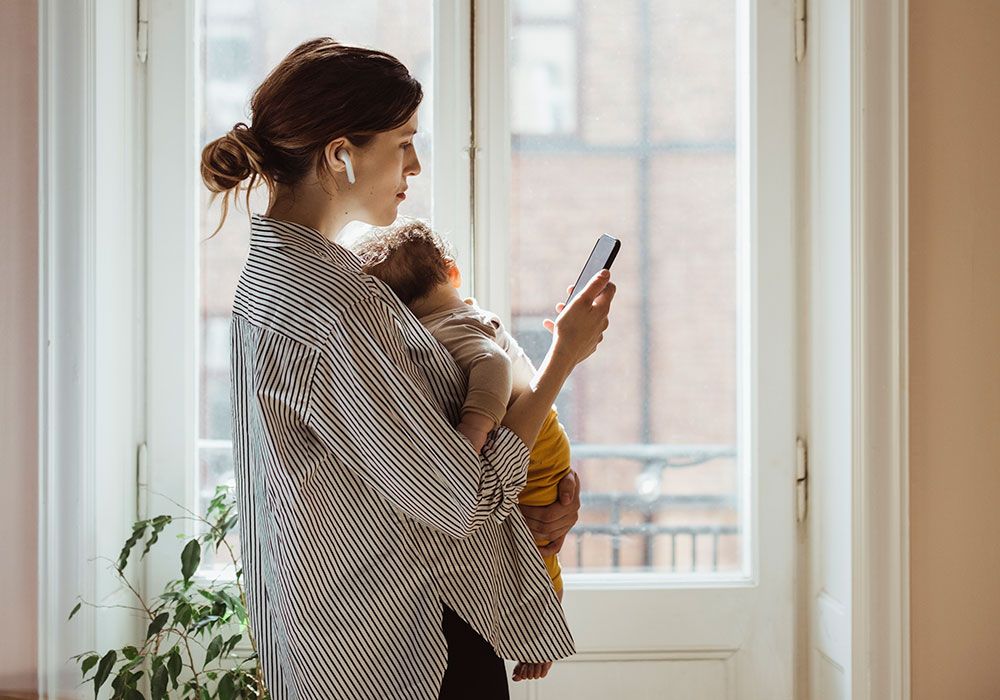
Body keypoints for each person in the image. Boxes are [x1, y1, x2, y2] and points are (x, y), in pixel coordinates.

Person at [200, 37, 615, 699]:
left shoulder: (277, 279)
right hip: (405, 655)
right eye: (402, 142)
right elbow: (463, 501)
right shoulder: (336, 303)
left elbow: (395, 481)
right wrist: (565, 356)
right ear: (340, 155)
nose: (415, 165)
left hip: (345, 645)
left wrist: (524, 511)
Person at [349, 218, 580, 682]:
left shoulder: (442, 329)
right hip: (540, 434)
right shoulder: (466, 312)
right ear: (451, 273)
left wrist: (473, 429)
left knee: (534, 546)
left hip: (532, 440)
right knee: (536, 541)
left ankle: (541, 627)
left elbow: (492, 365)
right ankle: (541, 626)